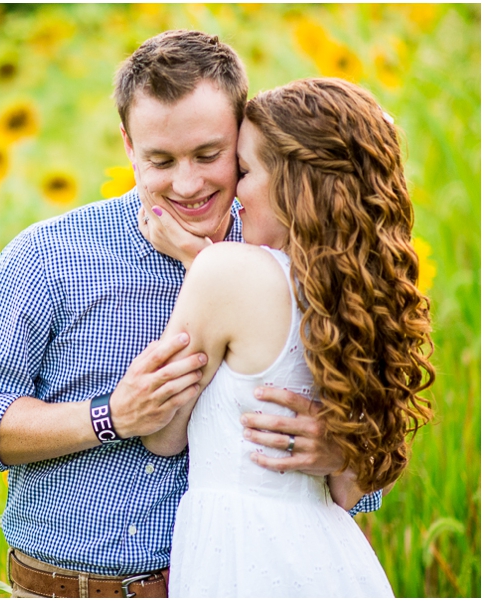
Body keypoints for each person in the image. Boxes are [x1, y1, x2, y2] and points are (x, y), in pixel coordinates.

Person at [0, 30, 382, 598]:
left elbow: (371, 463)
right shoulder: (50, 255)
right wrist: (110, 417)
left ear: (242, 137)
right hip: (68, 588)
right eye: (160, 160)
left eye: (209, 155)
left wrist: (340, 448)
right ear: (127, 144)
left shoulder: (297, 256)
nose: (188, 183)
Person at [139, 78, 434, 596]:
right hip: (328, 557)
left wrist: (199, 262)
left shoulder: (225, 271)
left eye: (245, 170)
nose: (234, 194)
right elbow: (349, 491)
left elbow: (161, 436)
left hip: (243, 556)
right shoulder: (354, 297)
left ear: (295, 184)